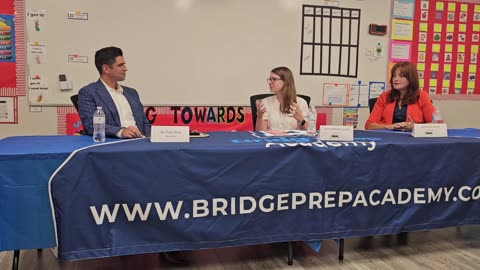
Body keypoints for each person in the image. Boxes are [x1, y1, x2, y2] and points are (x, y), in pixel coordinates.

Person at [78, 46, 151, 138]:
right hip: (113, 144)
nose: (125, 68)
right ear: (106, 69)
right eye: (120, 65)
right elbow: (90, 125)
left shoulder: (132, 93)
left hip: (140, 143)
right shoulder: (89, 92)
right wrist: (120, 132)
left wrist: (147, 139)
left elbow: (145, 122)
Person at [365, 62, 435, 131]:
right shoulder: (384, 96)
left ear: (411, 78)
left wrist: (415, 127)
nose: (396, 79)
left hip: (412, 139)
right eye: (394, 75)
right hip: (388, 137)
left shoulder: (422, 96)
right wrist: (389, 126)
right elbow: (369, 125)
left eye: (401, 76)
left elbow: (436, 125)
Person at [255, 66, 309, 131]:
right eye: (269, 79)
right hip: (271, 140)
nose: (269, 82)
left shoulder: (301, 103)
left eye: (274, 79)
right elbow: (260, 133)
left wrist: (301, 120)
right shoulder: (265, 102)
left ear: (286, 81)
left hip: (293, 140)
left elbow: (307, 133)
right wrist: (259, 116)